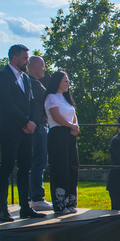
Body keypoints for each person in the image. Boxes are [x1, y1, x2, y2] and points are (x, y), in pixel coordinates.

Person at [0, 44, 40, 222]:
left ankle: (25, 207)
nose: (27, 62)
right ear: (14, 58)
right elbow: (7, 104)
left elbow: (32, 102)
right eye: (25, 58)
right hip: (9, 130)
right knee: (7, 167)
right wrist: (25, 122)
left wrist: (32, 123)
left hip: (26, 131)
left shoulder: (26, 78)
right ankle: (3, 210)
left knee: (25, 168)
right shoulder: (2, 76)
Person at [44, 70, 79, 215]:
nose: (67, 84)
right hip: (58, 135)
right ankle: (60, 204)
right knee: (60, 168)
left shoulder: (65, 98)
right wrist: (71, 126)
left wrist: (76, 126)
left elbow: (73, 115)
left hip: (70, 136)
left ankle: (71, 201)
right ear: (57, 82)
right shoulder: (51, 98)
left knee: (72, 167)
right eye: (65, 81)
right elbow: (56, 117)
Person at [26, 55, 53, 212]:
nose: (44, 70)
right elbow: (49, 98)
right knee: (40, 162)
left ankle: (32, 197)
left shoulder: (26, 82)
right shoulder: (34, 83)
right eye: (43, 66)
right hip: (39, 126)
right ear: (35, 67)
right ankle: (37, 198)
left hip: (36, 126)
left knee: (35, 163)